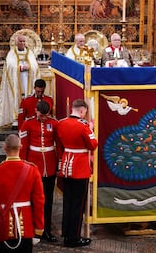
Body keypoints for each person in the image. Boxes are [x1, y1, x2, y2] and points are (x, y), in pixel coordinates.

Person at [56, 99, 98, 248]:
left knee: (67, 202)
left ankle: (66, 234)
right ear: (82, 111)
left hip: (66, 164)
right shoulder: (83, 126)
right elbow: (93, 145)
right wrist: (90, 129)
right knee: (77, 205)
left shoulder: (61, 123)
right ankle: (74, 238)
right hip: (80, 167)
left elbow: (59, 144)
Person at [0, 134, 45, 252]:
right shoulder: (32, 170)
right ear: (20, 147)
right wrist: (39, 227)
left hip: (3, 224)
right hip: (26, 225)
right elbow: (39, 201)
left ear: (4, 148)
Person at [19, 101, 58, 243]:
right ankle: (32, 229)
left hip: (50, 165)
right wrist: (23, 165)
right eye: (41, 116)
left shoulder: (54, 123)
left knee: (48, 200)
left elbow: (58, 144)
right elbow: (23, 147)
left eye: (46, 116)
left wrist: (59, 163)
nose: (43, 118)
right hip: (33, 166)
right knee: (32, 200)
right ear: (36, 111)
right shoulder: (27, 123)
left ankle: (46, 230)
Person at [0, 34, 40, 128]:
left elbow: (35, 65)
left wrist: (30, 67)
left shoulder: (30, 53)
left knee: (27, 96)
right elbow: (9, 66)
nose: (22, 43)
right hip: (16, 80)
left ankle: (28, 115)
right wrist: (19, 68)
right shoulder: (12, 53)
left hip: (27, 79)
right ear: (16, 42)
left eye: (24, 41)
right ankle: (16, 118)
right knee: (16, 97)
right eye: (20, 41)